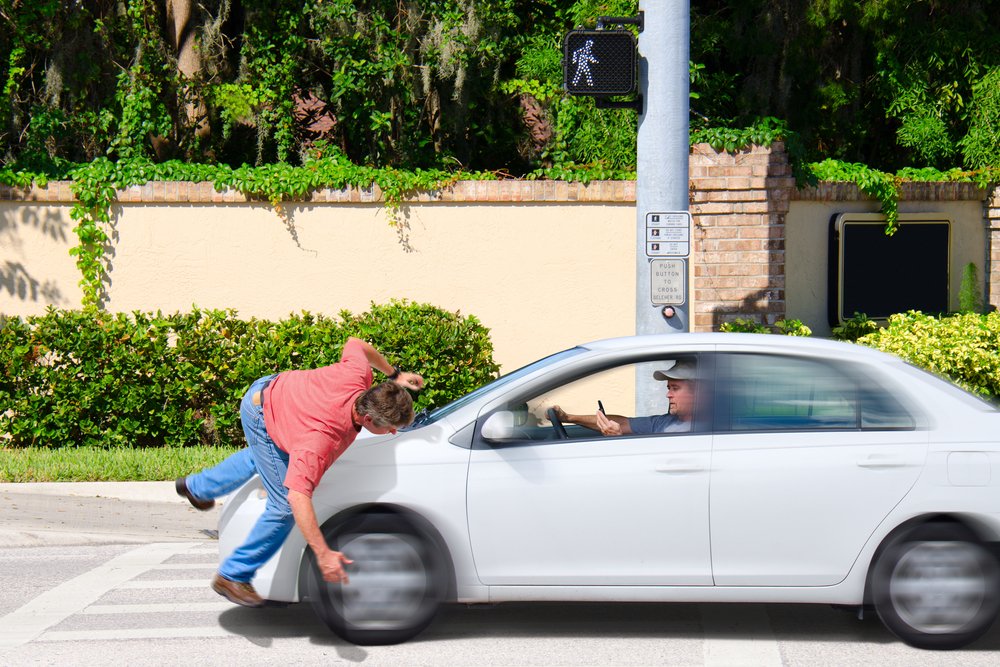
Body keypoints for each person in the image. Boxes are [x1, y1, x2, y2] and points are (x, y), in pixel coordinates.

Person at [174, 337, 424, 608]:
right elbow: (297, 497)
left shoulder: (358, 376)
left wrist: (395, 374)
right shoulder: (320, 440)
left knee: (265, 458)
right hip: (262, 411)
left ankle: (197, 487)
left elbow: (356, 344)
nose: (392, 432)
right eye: (388, 427)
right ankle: (233, 575)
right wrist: (323, 553)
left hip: (277, 391)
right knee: (282, 506)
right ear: (367, 418)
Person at [550, 359, 697, 436]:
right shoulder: (665, 421)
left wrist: (619, 439)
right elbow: (624, 423)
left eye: (675, 389)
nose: (668, 395)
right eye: (668, 388)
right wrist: (568, 418)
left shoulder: (707, 429)